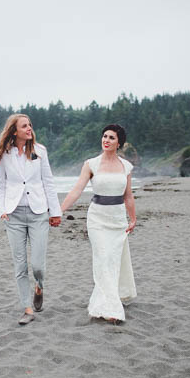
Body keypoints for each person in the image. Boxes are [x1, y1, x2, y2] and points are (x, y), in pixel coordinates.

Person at [60, 124, 137, 323]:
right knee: (103, 259)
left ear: (119, 142)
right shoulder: (91, 164)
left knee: (113, 260)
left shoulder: (125, 167)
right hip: (97, 219)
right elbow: (77, 190)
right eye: (104, 136)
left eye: (111, 137)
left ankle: (114, 296)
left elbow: (128, 196)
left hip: (118, 219)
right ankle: (110, 308)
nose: (106, 140)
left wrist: (133, 218)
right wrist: (59, 210)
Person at [0, 113, 62, 325]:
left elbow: (48, 182)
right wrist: (2, 210)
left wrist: (55, 211)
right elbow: (1, 185)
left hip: (38, 213)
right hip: (13, 215)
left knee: (38, 265)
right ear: (14, 131)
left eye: (30, 125)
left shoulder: (40, 152)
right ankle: (27, 308)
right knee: (20, 266)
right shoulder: (5, 155)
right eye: (24, 126)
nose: (29, 128)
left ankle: (39, 286)